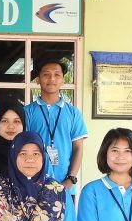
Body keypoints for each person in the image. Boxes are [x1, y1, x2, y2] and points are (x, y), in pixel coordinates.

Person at [24, 60, 88, 197]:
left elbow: (78, 148)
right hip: (33, 184)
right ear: (38, 80)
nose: (51, 79)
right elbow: (21, 148)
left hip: (65, 185)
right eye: (46, 74)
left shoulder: (73, 113)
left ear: (63, 80)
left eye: (57, 75)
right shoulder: (27, 112)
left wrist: (70, 179)